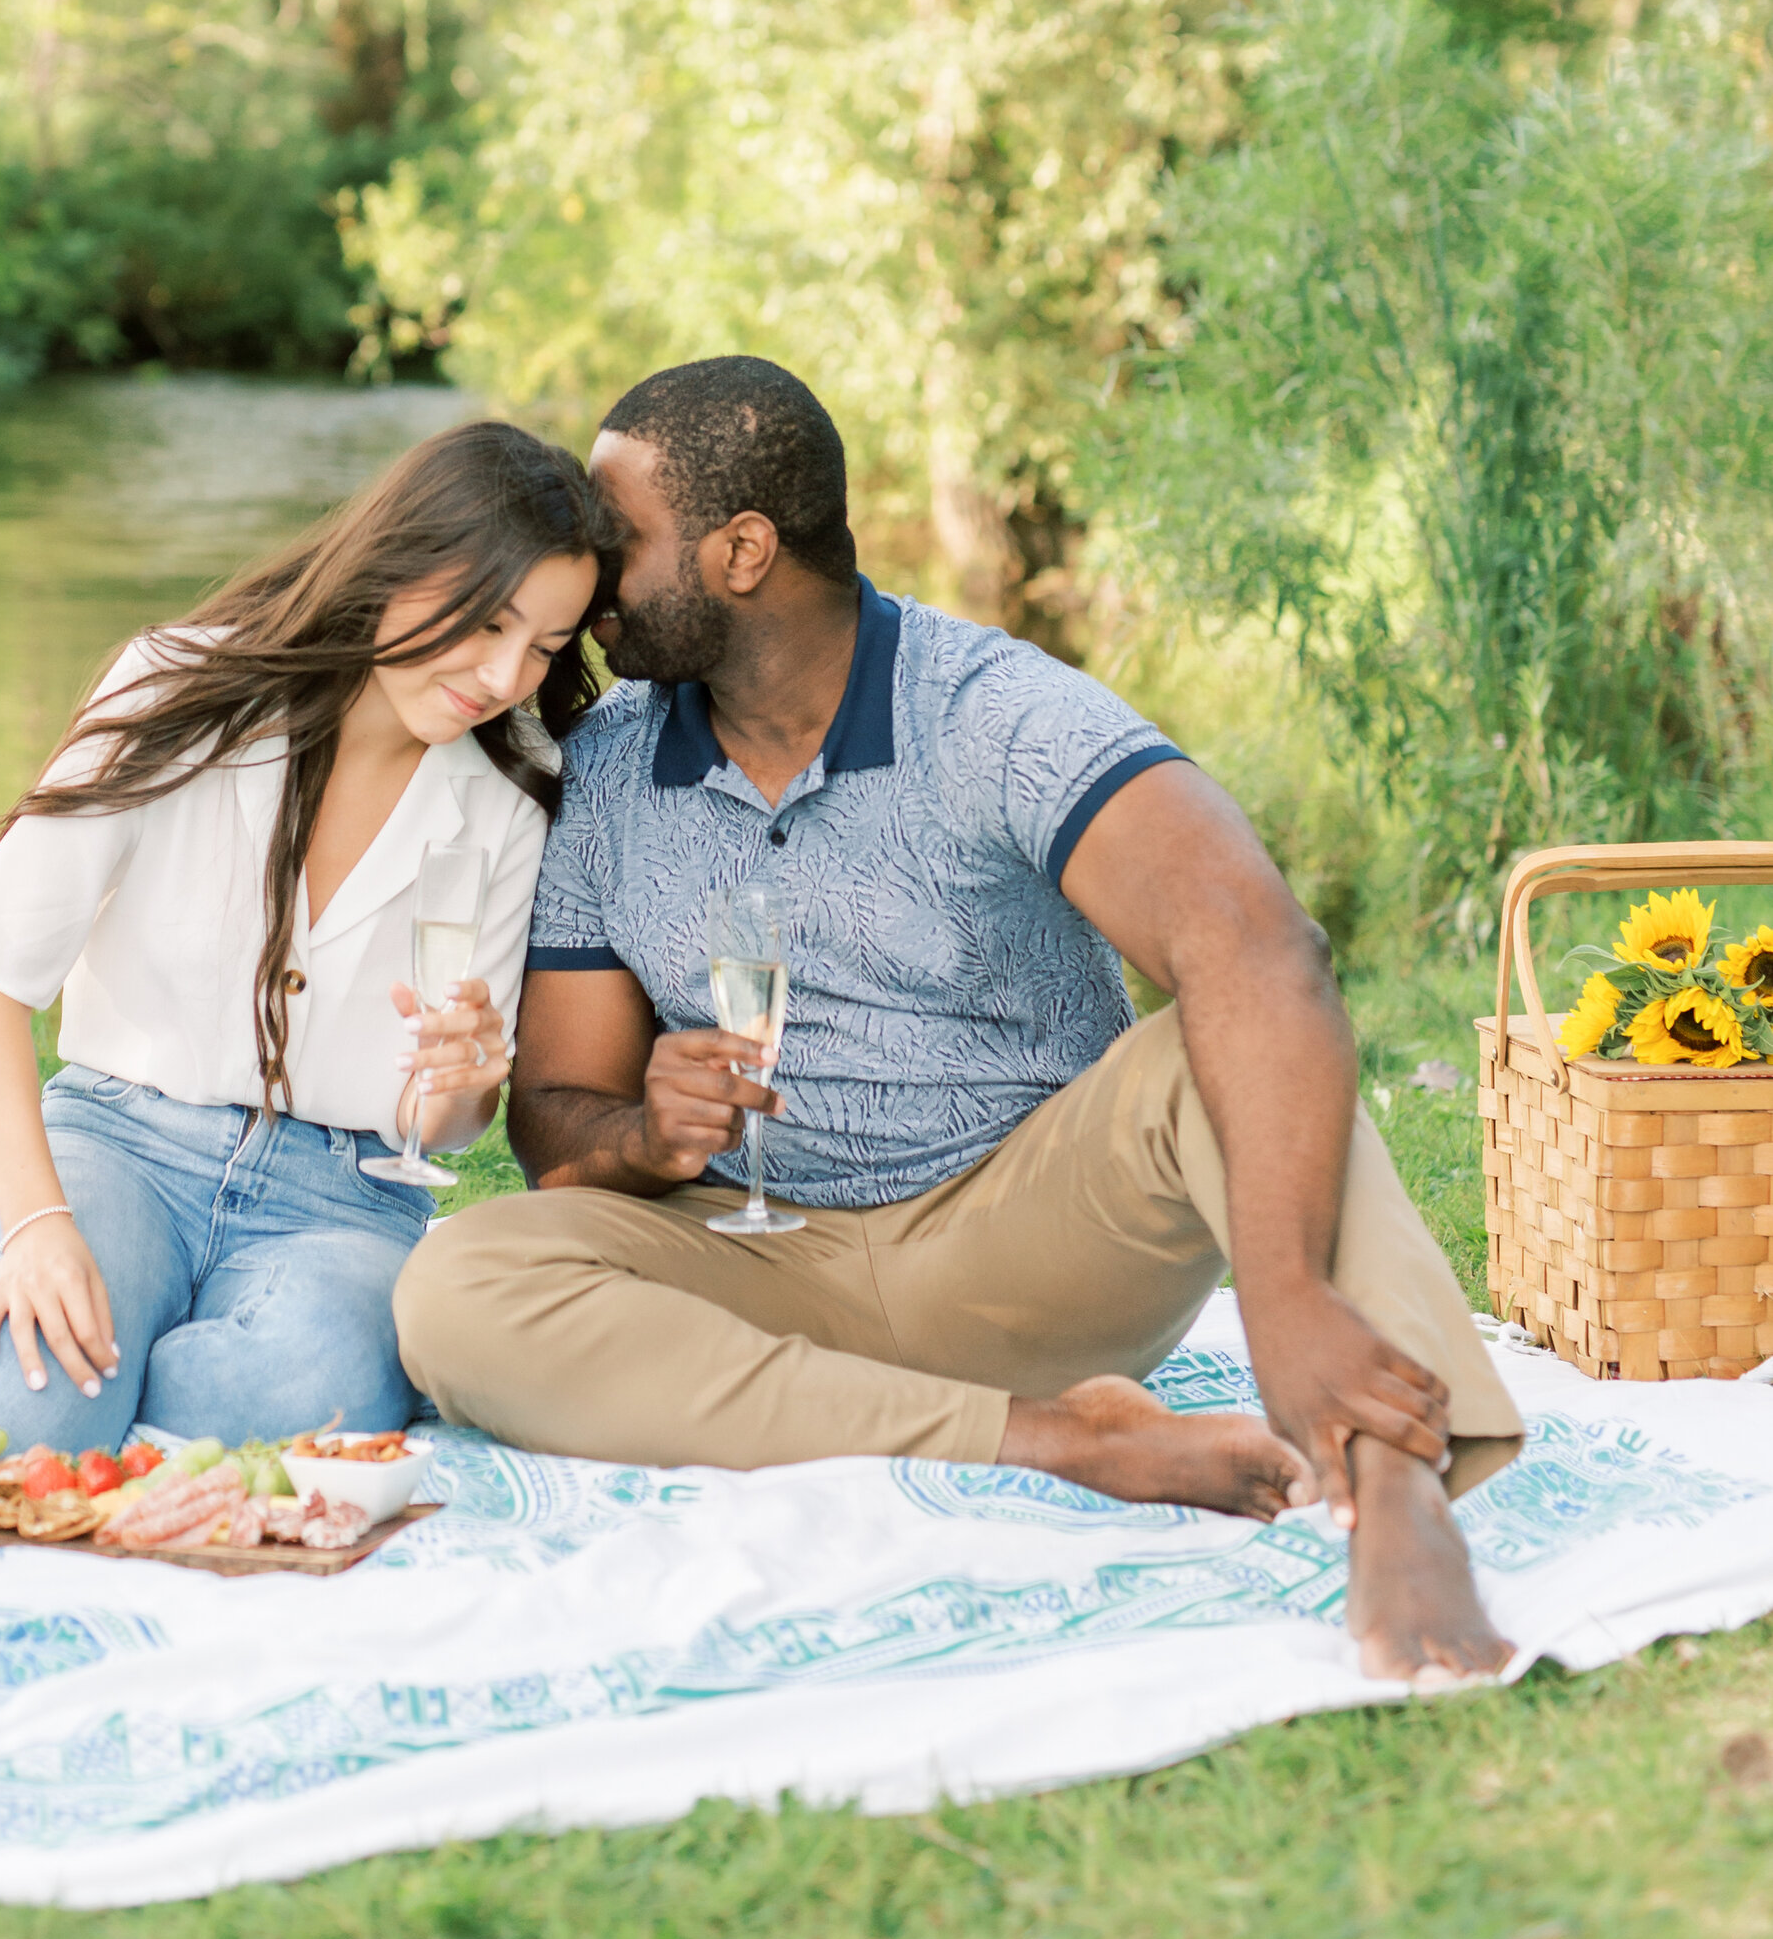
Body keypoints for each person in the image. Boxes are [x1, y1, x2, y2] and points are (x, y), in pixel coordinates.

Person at [393, 356, 1526, 1687]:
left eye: (619, 531)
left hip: (1027, 1245)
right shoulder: (609, 769)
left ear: (742, 550)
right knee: (457, 1285)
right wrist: (646, 1132)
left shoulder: (992, 713)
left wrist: (1276, 1298)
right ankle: (1063, 1440)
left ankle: (1398, 1477)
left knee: (1220, 1035)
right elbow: (554, 1123)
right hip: (764, 1273)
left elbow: (1258, 944)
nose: (587, 564)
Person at [0, 421, 617, 1452]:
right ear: (403, 561)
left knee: (299, 1401)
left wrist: (469, 1078)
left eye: (546, 648)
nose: (508, 673)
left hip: (340, 1198)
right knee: (20, 1420)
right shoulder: (175, 689)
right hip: (121, 1141)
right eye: (490, 623)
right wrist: (32, 1224)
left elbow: (452, 1122)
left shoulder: (513, 788)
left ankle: (91, 1364)